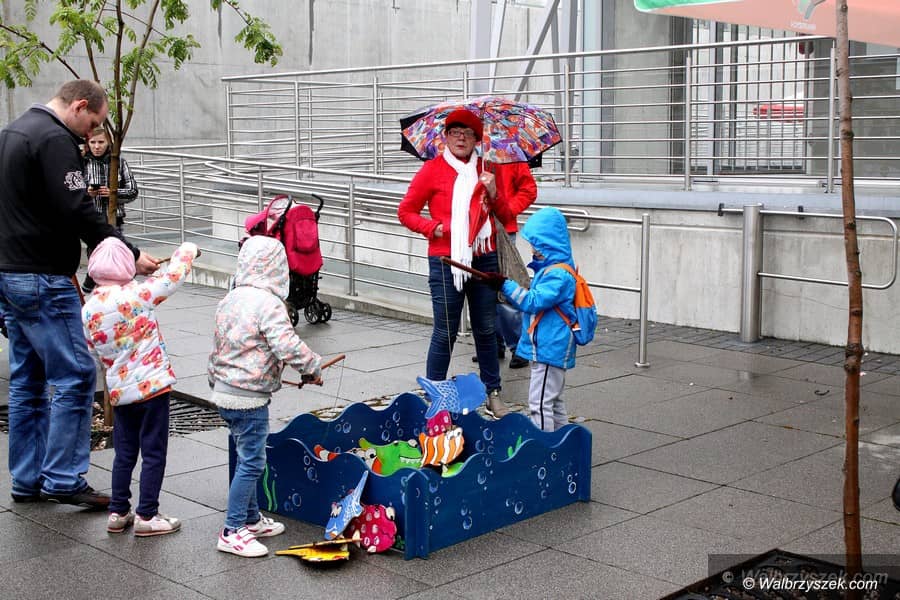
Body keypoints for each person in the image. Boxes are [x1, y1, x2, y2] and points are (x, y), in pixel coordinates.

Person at [0, 79, 159, 509]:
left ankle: (27, 479)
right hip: (44, 277)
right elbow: (77, 210)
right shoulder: (54, 139)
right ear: (80, 105)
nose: (90, 135)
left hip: (10, 274)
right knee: (76, 375)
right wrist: (130, 252)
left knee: (28, 381)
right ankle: (63, 478)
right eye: (92, 123)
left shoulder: (11, 132)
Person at [208, 235, 324, 557]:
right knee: (253, 462)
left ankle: (250, 518)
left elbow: (219, 345)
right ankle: (232, 530)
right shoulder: (269, 304)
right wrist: (312, 367)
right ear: (278, 268)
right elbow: (287, 345)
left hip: (224, 391)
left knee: (246, 455)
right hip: (248, 397)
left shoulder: (229, 299)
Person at [397, 108, 517, 419]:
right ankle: (434, 396)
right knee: (445, 331)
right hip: (445, 259)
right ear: (445, 137)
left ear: (477, 139)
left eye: (468, 133)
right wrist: (432, 227)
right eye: (455, 132)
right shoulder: (432, 170)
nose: (461, 138)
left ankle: (493, 392)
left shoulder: (488, 169)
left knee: (486, 329)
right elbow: (406, 211)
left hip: (484, 257)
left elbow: (506, 217)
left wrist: (494, 193)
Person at [82, 237, 198, 535]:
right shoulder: (138, 294)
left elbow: (91, 350)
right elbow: (172, 277)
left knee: (124, 453)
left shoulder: (88, 310)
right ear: (126, 266)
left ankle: (118, 511)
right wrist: (187, 249)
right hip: (152, 388)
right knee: (153, 452)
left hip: (120, 392)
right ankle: (147, 514)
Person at [482, 207, 578, 432]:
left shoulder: (557, 275)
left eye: (536, 243)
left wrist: (505, 284)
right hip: (549, 346)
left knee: (540, 403)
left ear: (549, 243)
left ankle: (543, 445)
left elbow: (532, 301)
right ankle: (563, 442)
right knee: (554, 402)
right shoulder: (554, 270)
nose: (533, 249)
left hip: (550, 348)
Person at [472, 162, 536, 370]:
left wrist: (507, 209)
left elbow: (528, 190)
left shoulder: (510, 156)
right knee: (483, 291)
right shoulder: (469, 155)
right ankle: (493, 343)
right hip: (476, 232)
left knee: (505, 289)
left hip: (502, 229)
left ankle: (517, 347)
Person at [81, 126, 139, 293]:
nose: (97, 146)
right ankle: (93, 285)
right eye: (93, 142)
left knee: (116, 255)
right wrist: (88, 193)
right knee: (97, 255)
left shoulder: (119, 162)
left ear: (109, 142)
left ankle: (102, 287)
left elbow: (133, 191)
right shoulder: (82, 163)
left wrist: (113, 193)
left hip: (114, 218)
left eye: (101, 142)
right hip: (91, 219)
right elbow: (71, 192)